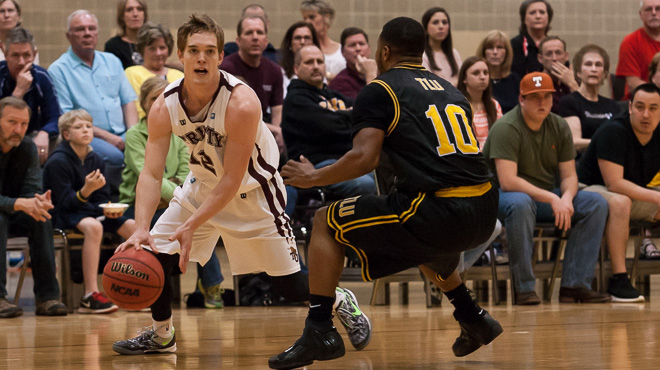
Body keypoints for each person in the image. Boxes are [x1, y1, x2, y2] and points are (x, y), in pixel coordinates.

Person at [111, 14, 367, 355]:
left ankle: (339, 299)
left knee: (288, 285)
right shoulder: (164, 104)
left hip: (254, 194)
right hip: (200, 188)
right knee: (153, 258)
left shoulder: (242, 103)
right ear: (181, 55)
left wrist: (192, 225)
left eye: (209, 51)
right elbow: (151, 174)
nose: (201, 58)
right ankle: (161, 335)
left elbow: (232, 179)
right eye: (193, 50)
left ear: (220, 56)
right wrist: (142, 227)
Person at [270, 17, 502, 369]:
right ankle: (473, 317)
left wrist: (313, 176)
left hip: (438, 209)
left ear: (384, 50)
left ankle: (319, 327)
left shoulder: (381, 89)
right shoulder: (451, 90)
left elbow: (365, 158)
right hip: (484, 210)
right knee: (422, 239)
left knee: (325, 221)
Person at [483, 72, 610, 305]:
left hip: (543, 197)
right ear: (521, 99)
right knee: (521, 203)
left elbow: (570, 175)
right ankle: (524, 288)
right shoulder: (506, 127)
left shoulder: (559, 126)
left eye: (546, 96)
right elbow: (508, 181)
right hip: (502, 198)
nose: (541, 102)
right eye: (534, 97)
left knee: (596, 203)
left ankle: (575, 284)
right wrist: (554, 200)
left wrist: (567, 198)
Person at [119, 77, 225, 309]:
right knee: (178, 226)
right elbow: (146, 174)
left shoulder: (178, 128)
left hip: (172, 201)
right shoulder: (135, 135)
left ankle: (211, 287)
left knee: (197, 225)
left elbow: (186, 169)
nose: (159, 101)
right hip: (137, 205)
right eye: (153, 97)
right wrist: (178, 190)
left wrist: (177, 191)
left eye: (163, 95)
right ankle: (147, 290)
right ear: (143, 104)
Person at [43, 110, 138, 314]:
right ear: (66, 135)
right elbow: (64, 204)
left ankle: (133, 288)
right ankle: (90, 294)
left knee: (132, 226)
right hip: (64, 215)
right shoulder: (57, 161)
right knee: (94, 227)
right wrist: (85, 191)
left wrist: (109, 209)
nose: (85, 130)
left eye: (88, 126)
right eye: (78, 127)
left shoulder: (96, 158)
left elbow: (102, 196)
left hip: (90, 210)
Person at [577, 83, 660, 303]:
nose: (646, 114)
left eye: (653, 108)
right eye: (640, 107)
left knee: (626, 201)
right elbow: (614, 184)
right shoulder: (613, 130)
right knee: (621, 202)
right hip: (588, 189)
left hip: (632, 192)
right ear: (630, 107)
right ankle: (619, 279)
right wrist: (656, 197)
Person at [48, 10, 139, 188]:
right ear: (69, 36)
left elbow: (128, 101)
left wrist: (133, 133)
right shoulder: (58, 69)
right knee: (116, 157)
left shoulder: (112, 60)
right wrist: (110, 138)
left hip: (123, 133)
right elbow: (67, 116)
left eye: (91, 29)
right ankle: (115, 203)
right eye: (80, 29)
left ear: (97, 33)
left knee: (149, 148)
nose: (87, 33)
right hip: (88, 136)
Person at [0, 96, 67, 318]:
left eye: (24, 124)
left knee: (41, 217)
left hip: (13, 212)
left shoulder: (27, 147)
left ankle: (48, 297)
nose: (18, 129)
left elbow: (31, 190)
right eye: (11, 122)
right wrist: (19, 203)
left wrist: (37, 203)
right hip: (5, 213)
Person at [282, 44, 376, 197]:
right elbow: (333, 128)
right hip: (318, 165)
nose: (316, 66)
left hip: (348, 160)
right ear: (296, 69)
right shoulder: (295, 100)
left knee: (388, 176)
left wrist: (349, 117)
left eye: (319, 62)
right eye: (309, 62)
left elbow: (367, 116)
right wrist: (352, 115)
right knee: (366, 184)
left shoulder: (334, 96)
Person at [221, 15, 284, 152]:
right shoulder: (225, 69)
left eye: (259, 32)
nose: (255, 37)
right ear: (238, 40)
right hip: (232, 131)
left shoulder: (275, 70)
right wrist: (272, 129)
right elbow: (227, 116)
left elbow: (277, 112)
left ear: (266, 41)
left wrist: (276, 133)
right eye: (249, 32)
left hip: (262, 128)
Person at [0, 27, 61, 165]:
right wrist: (19, 91)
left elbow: (55, 117)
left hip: (32, 135)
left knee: (65, 140)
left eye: (26, 55)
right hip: (3, 136)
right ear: (5, 53)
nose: (21, 62)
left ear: (34, 54)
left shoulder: (42, 77)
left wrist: (44, 133)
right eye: (15, 55)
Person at [559, 44, 620, 154]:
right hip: (582, 163)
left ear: (605, 74)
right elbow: (575, 143)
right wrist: (606, 143)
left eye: (598, 65)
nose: (593, 69)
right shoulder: (569, 102)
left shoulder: (613, 106)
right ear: (578, 72)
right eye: (588, 64)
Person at [125, 22, 183, 119]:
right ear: (142, 50)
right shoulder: (131, 73)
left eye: (162, 47)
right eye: (152, 48)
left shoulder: (179, 75)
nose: (158, 53)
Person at [616, 0, 660, 97]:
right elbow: (633, 82)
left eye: (658, 9)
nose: (653, 13)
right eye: (648, 9)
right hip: (639, 101)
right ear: (641, 14)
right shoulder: (630, 41)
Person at [457, 56, 502, 149]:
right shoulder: (457, 106)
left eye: (485, 73)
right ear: (464, 79)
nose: (482, 77)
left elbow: (500, 138)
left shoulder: (494, 105)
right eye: (476, 73)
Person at [476, 30, 521, 114]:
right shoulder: (478, 80)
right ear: (483, 52)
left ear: (507, 52)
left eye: (500, 47)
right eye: (490, 48)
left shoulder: (515, 81)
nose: (495, 52)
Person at [300, 0, 345, 80]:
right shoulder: (304, 50)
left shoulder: (342, 49)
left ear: (326, 17)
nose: (307, 22)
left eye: (312, 17)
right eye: (305, 18)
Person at [328, 27, 378, 100]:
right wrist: (370, 74)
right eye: (352, 45)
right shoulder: (339, 83)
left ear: (369, 48)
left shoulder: (383, 74)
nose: (358, 48)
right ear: (342, 52)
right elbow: (369, 107)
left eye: (361, 44)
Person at [536, 36, 578, 114]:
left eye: (558, 53)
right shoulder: (535, 82)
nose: (554, 58)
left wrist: (573, 84)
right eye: (549, 54)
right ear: (540, 58)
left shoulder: (573, 81)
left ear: (566, 56)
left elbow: (585, 113)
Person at [511, 0, 552, 78]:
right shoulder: (515, 45)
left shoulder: (555, 45)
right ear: (524, 19)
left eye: (542, 12)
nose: (538, 16)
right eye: (532, 13)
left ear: (548, 18)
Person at [421, 7, 462, 86]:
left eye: (444, 22)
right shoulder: (422, 55)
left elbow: (462, 79)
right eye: (435, 22)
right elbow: (429, 85)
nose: (441, 26)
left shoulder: (454, 53)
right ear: (425, 28)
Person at [279, 21, 319, 94]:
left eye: (307, 38)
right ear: (290, 44)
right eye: (298, 38)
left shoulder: (319, 68)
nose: (302, 42)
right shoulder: (280, 72)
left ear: (314, 43)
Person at [105, 0, 147, 69]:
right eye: (129, 10)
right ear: (122, 16)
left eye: (139, 9)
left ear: (144, 14)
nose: (135, 14)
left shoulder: (151, 43)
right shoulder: (113, 46)